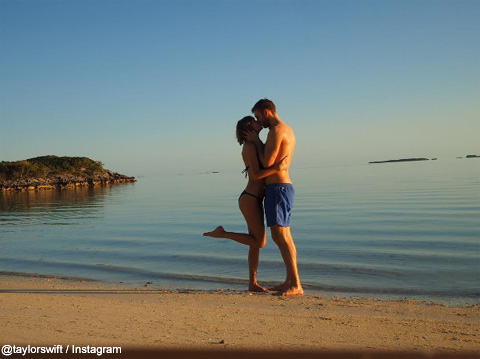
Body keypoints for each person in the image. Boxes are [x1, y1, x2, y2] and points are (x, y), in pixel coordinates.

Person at [203, 116, 287, 293]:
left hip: (255, 198)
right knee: (260, 242)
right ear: (249, 127)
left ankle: (252, 283)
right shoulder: (249, 147)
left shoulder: (255, 143)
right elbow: (256, 175)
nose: (259, 121)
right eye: (254, 121)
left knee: (254, 243)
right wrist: (277, 169)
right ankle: (222, 233)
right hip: (250, 199)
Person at [246, 98, 303, 296]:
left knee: (280, 235)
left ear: (267, 112)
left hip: (278, 188)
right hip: (282, 187)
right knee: (284, 236)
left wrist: (255, 141)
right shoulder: (287, 129)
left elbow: (267, 161)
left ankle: (295, 284)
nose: (258, 121)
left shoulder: (276, 131)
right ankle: (291, 280)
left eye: (259, 116)